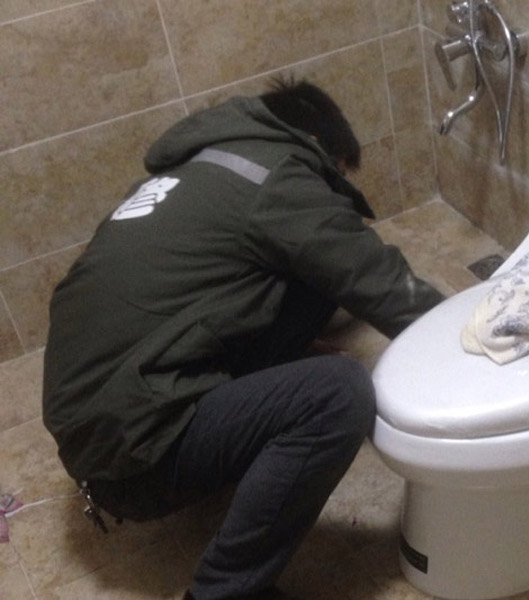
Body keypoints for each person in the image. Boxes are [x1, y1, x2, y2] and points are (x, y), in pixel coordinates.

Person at [42, 78, 444, 600]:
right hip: (131, 454)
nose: (333, 188)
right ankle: (225, 592)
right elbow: (382, 283)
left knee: (311, 281)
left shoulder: (201, 168)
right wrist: (472, 337)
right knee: (336, 393)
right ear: (317, 145)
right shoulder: (278, 176)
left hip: (98, 417)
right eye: (338, 175)